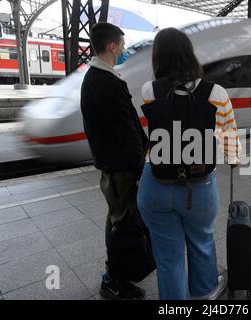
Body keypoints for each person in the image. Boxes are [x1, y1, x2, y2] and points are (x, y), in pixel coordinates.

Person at [137, 27, 241, 300]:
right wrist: (233, 159)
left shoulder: (149, 90)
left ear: (158, 58)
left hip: (155, 181)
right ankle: (205, 292)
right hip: (198, 185)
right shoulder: (216, 93)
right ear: (189, 55)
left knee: (168, 255)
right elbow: (229, 133)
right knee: (202, 240)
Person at [80, 22, 149, 300]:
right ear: (112, 46)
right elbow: (125, 129)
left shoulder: (97, 77)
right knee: (121, 225)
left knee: (118, 221)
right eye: (121, 45)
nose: (123, 49)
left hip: (114, 164)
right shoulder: (106, 81)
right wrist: (139, 165)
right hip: (120, 167)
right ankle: (114, 282)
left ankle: (116, 276)